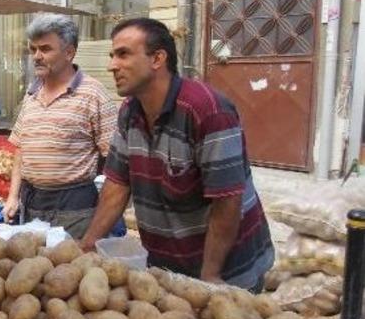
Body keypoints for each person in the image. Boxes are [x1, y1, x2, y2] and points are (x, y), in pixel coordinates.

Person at [79, 18, 274, 292]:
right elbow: (117, 185)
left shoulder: (208, 110)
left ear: (158, 58)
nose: (112, 65)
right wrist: (87, 246)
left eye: (123, 54)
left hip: (227, 271)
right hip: (169, 267)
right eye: (112, 56)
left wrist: (209, 279)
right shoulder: (129, 112)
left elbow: (227, 203)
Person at [1, 14, 117, 238]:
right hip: (32, 203)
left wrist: (104, 218)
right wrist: (13, 196)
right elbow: (20, 149)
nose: (36, 56)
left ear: (69, 52)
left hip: (75, 209)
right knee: (35, 267)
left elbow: (115, 163)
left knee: (70, 270)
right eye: (33, 49)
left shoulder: (93, 94)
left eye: (45, 49)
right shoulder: (31, 94)